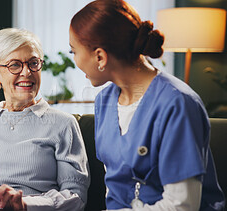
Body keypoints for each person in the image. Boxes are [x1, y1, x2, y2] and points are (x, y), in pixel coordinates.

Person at [69, 0, 225, 210]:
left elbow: (182, 205)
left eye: (74, 51)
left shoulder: (177, 104)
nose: (75, 60)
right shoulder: (104, 101)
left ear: (100, 56)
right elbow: (114, 186)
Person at [0, 28, 90, 211]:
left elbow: (76, 197)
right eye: (14, 65)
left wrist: (24, 204)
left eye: (33, 63)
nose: (27, 72)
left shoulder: (63, 124)